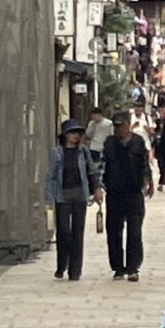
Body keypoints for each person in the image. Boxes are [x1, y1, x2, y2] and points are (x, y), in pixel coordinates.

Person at [44, 118, 103, 281]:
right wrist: (48, 199)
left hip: (80, 195)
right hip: (62, 196)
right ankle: (62, 264)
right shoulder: (57, 152)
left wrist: (97, 189)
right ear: (65, 135)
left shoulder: (83, 151)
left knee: (78, 232)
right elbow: (50, 177)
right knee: (64, 232)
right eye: (72, 132)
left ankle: (75, 270)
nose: (75, 135)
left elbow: (92, 171)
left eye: (78, 132)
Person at [103, 111, 153, 282]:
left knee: (135, 232)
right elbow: (103, 166)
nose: (119, 129)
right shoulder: (109, 143)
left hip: (134, 193)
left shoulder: (138, 142)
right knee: (114, 232)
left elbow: (144, 164)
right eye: (116, 126)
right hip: (114, 193)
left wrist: (148, 181)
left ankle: (133, 268)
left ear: (128, 125)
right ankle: (118, 268)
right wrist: (98, 186)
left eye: (122, 125)